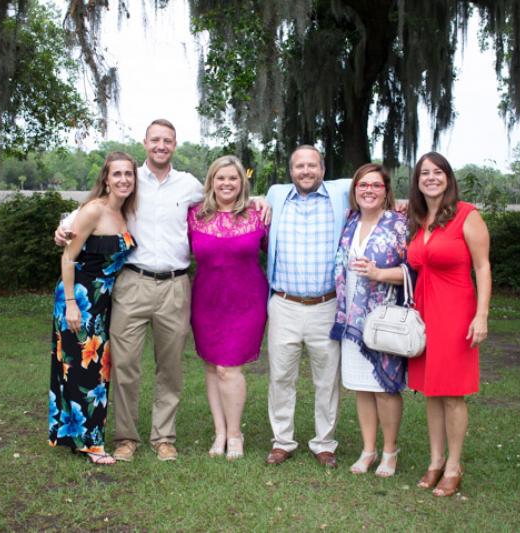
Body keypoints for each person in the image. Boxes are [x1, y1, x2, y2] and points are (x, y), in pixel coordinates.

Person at [55, 119, 269, 462]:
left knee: (169, 368)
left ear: (174, 145)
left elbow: (223, 196)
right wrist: (63, 227)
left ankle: (164, 437)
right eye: (155, 139)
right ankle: (126, 438)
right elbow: (95, 207)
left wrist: (256, 198)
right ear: (145, 143)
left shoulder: (189, 185)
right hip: (132, 283)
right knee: (125, 365)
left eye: (167, 140)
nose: (161, 146)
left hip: (175, 286)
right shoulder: (130, 180)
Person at [405, 151, 491, 497]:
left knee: (452, 393)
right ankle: (436, 460)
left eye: (438, 172)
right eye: (424, 173)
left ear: (448, 177)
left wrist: (481, 314)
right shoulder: (417, 219)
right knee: (432, 390)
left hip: (456, 313)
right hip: (424, 313)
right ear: (417, 181)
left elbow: (483, 267)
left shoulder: (467, 215)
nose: (431, 178)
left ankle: (454, 466)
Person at [263, 145, 351, 468]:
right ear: (291, 171)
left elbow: (377, 187)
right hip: (284, 303)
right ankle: (282, 441)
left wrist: (400, 201)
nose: (306, 171)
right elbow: (251, 202)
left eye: (312, 165)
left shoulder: (341, 193)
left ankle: (324, 443)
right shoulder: (276, 195)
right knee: (281, 375)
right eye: (299, 166)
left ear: (323, 170)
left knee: (326, 378)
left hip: (326, 304)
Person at [49, 152, 138, 465]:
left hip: (103, 299)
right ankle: (91, 444)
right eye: (117, 174)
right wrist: (71, 304)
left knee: (95, 367)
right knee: (84, 369)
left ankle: (80, 437)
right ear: (106, 179)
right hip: (80, 298)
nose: (124, 179)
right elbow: (68, 256)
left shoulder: (123, 211)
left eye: (129, 174)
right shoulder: (94, 210)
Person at [188, 155, 269, 461]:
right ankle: (219, 431)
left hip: (246, 302)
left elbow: (276, 251)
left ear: (242, 182)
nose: (226, 183)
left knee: (228, 367)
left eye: (233, 178)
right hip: (207, 301)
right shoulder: (194, 215)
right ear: (211, 181)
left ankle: (235, 434)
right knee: (212, 365)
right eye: (220, 178)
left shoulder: (258, 214)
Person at [329, 163, 407, 477]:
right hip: (351, 319)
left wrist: (379, 274)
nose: (369, 190)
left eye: (376, 185)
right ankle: (368, 450)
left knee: (384, 387)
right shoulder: (350, 222)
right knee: (361, 386)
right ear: (355, 190)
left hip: (383, 319)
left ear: (386, 191)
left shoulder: (399, 224)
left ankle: (390, 451)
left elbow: (413, 272)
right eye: (363, 185)